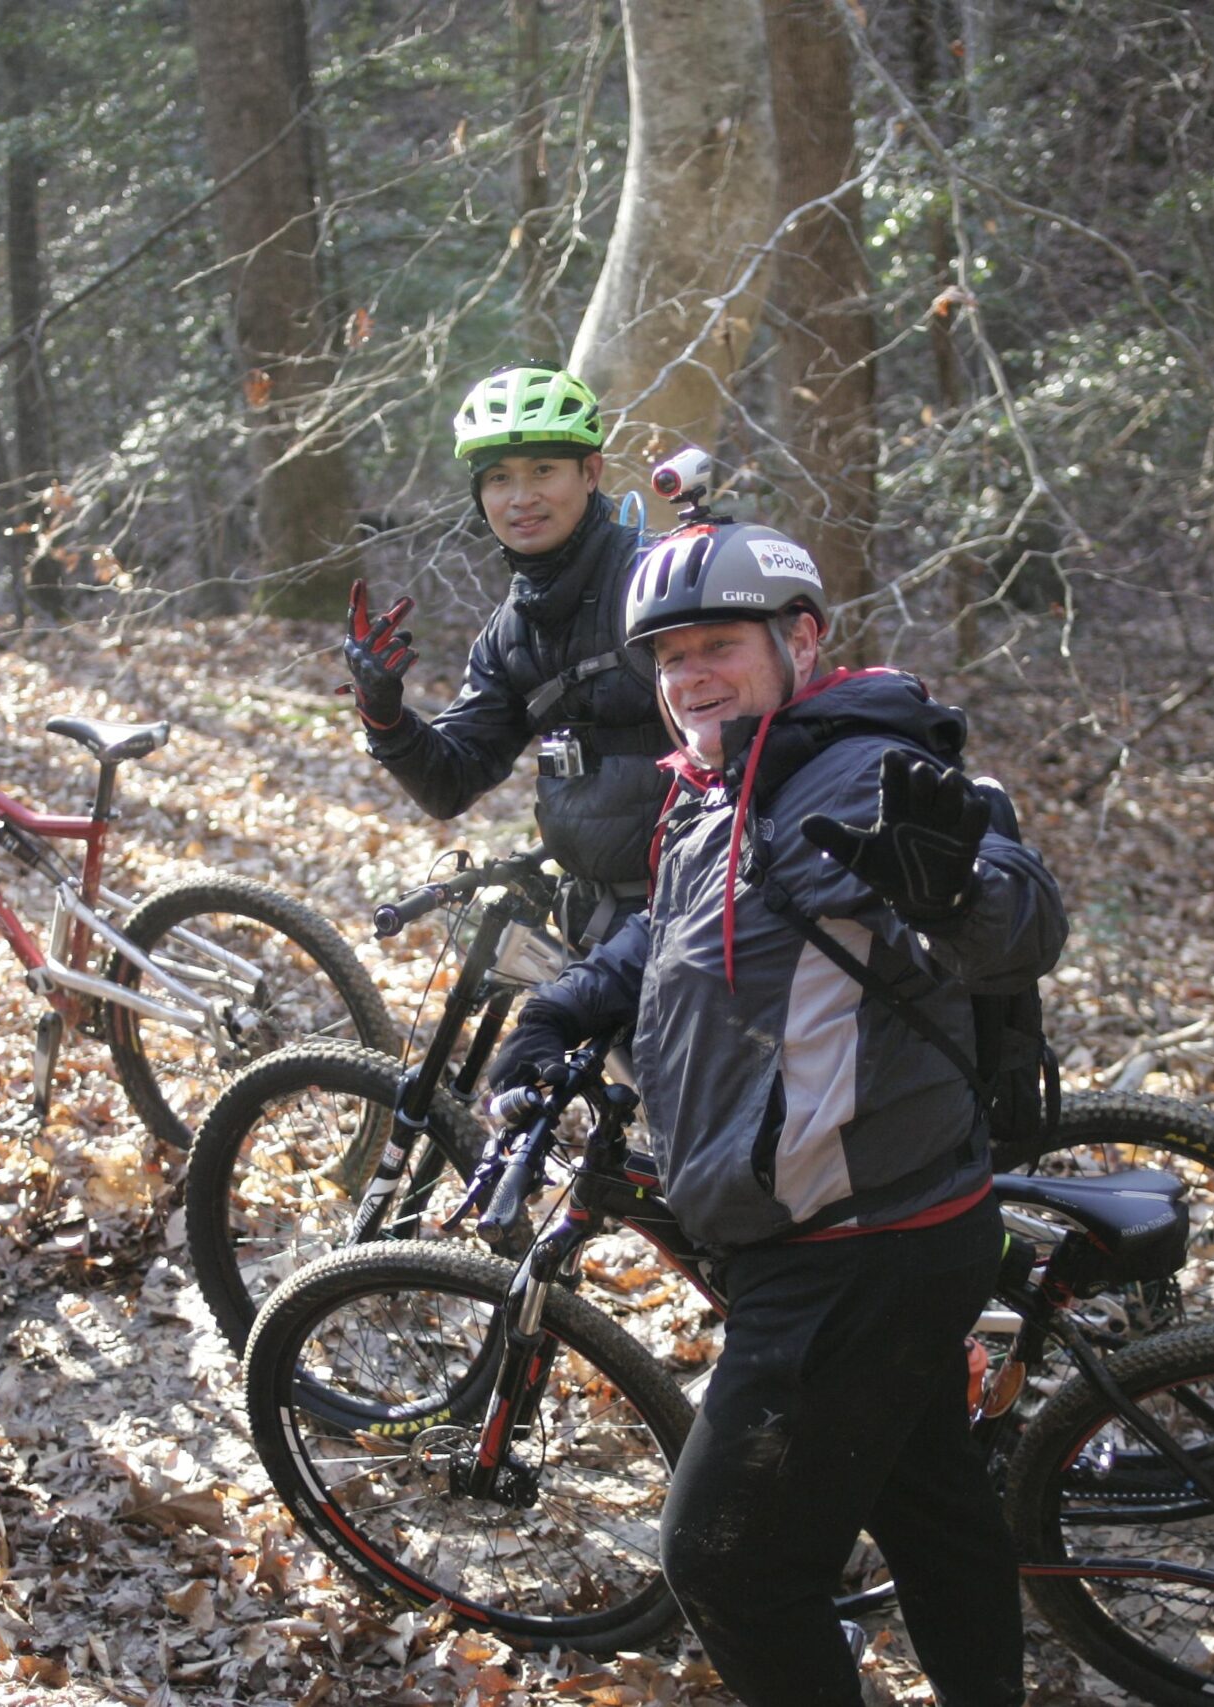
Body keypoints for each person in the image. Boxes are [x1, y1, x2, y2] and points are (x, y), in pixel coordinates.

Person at [485, 518, 1066, 1707]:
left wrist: (956, 893)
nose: (688, 676)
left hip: (855, 1246)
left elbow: (1015, 922)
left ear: (800, 637)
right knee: (929, 1503)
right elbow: (672, 935)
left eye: (716, 646)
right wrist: (567, 1007)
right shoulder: (722, 781)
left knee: (728, 1569)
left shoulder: (853, 771)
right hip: (850, 1221)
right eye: (667, 657)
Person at [341, 364, 667, 948]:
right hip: (595, 917)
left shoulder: (659, 584)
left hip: (703, 909)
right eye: (499, 478)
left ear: (591, 472)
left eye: (544, 470)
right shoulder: (513, 632)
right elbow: (452, 780)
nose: (521, 498)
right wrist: (384, 715)